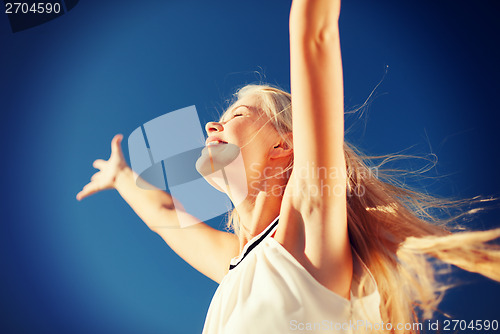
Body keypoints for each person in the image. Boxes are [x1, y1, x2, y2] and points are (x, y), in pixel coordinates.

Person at [76, 0, 500, 333]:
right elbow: (165, 214)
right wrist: (122, 177)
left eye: (238, 115)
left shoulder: (306, 229)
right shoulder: (236, 262)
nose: (212, 124)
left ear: (283, 145)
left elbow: (315, 35)